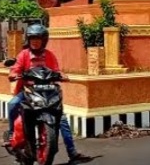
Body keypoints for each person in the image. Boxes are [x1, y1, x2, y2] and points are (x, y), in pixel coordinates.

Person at [5, 24, 89, 164]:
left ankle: (72, 152)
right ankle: (11, 134)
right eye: (32, 38)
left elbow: (56, 70)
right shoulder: (23, 54)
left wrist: (62, 75)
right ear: (29, 39)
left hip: (48, 91)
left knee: (62, 120)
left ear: (44, 40)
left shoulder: (49, 55)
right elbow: (16, 69)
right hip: (28, 91)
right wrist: (14, 74)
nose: (35, 41)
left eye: (38, 38)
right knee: (12, 104)